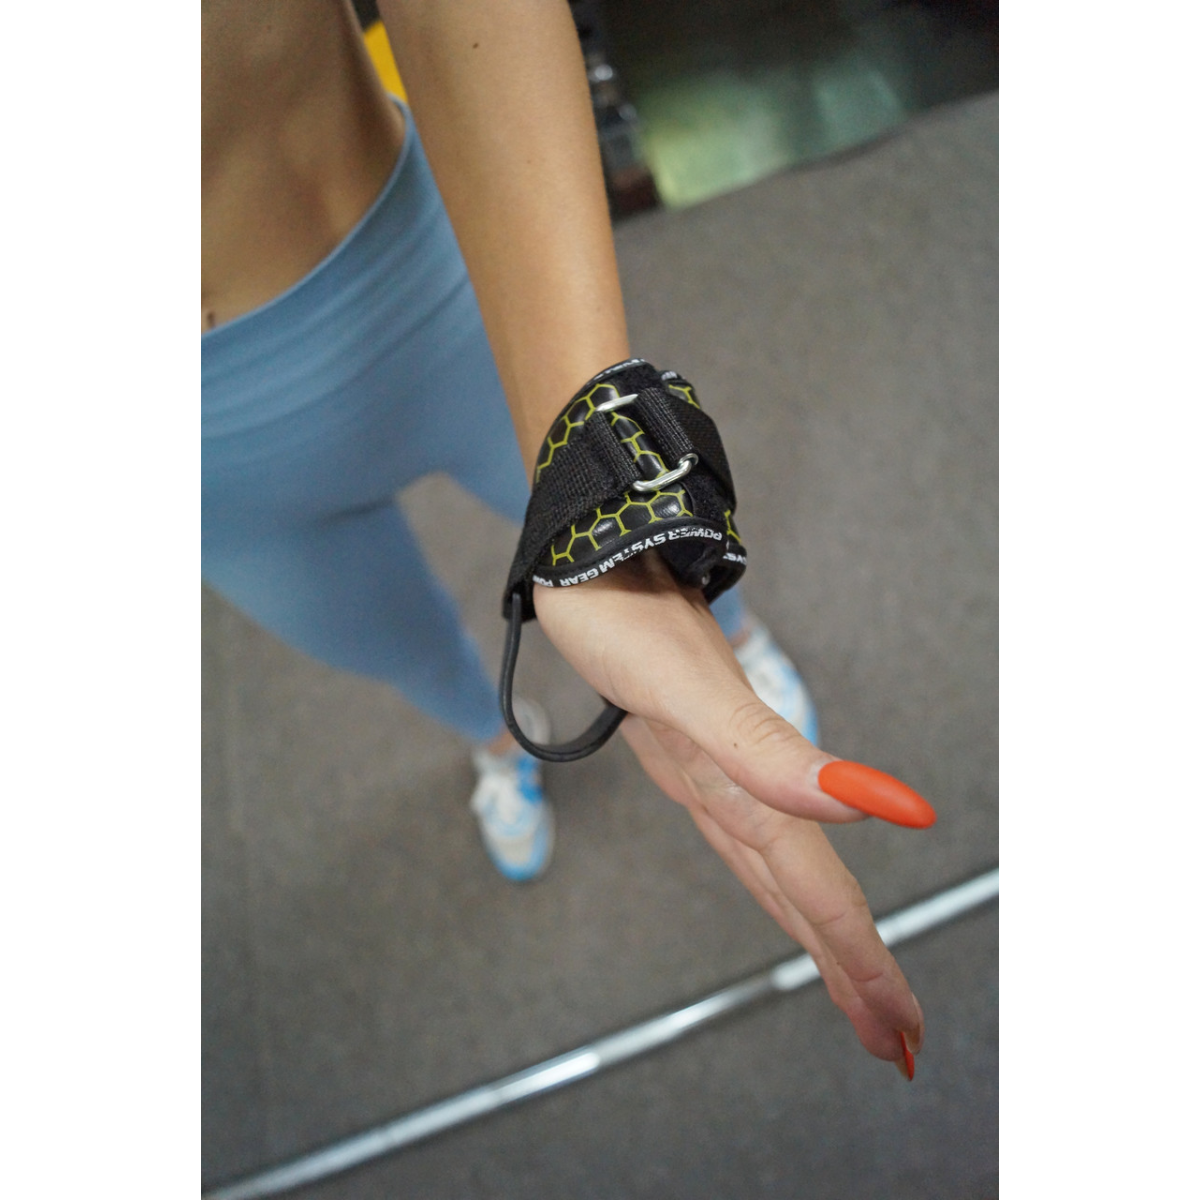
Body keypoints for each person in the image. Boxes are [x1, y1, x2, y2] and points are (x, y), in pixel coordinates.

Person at [203, 0, 929, 1078]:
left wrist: (600, 478)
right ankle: (502, 750)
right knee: (389, 647)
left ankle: (731, 649)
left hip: (416, 281)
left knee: (653, 569)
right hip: (203, 474)